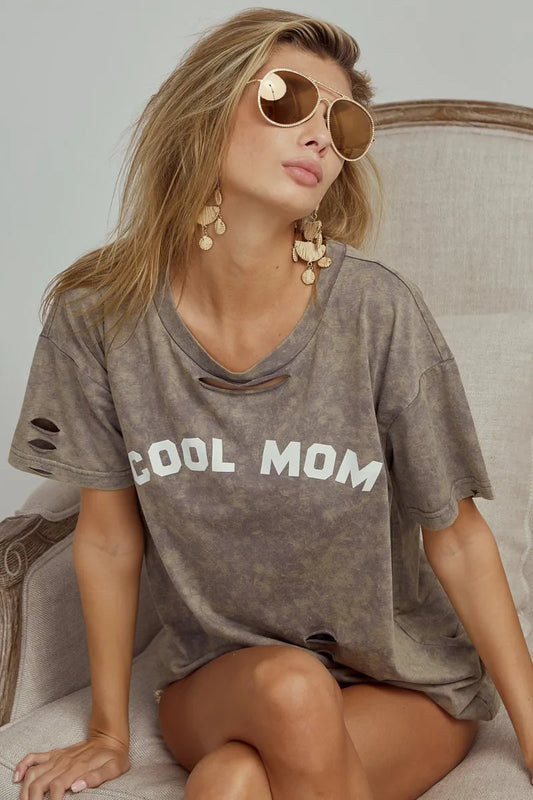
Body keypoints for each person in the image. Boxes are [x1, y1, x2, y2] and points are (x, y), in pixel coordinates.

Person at [7, 7, 533, 800]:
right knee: (289, 687)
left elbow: (455, 539)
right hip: (220, 679)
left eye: (342, 125)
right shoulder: (100, 317)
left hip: (403, 682)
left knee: (229, 784)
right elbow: (109, 540)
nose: (320, 137)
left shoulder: (374, 313)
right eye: (288, 99)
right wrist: (109, 733)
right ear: (206, 109)